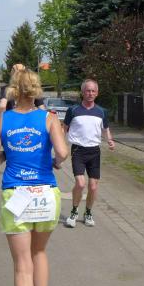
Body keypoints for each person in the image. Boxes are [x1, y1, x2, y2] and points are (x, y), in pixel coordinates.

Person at [0, 67, 68, 286]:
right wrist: (53, 159)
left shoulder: (3, 118)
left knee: (22, 266)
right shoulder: (49, 118)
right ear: (36, 90)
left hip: (16, 194)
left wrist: (8, 153)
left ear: (14, 91)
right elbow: (63, 153)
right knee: (39, 253)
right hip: (45, 192)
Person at [63, 79, 115, 228]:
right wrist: (61, 144)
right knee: (80, 184)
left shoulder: (102, 112)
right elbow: (64, 128)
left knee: (93, 187)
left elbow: (105, 129)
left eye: (93, 91)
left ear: (97, 93)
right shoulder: (73, 110)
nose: (90, 93)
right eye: (88, 90)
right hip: (78, 150)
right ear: (82, 92)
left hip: (94, 152)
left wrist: (110, 140)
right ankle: (74, 212)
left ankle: (88, 213)